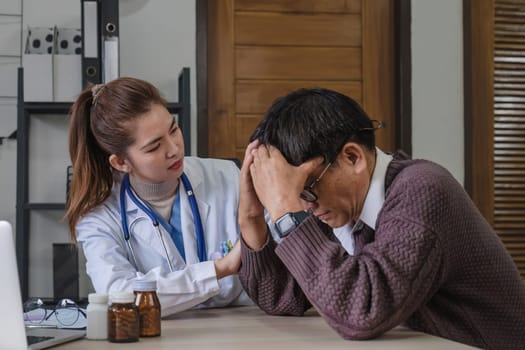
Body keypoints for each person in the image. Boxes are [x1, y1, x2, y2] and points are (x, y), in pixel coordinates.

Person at [237, 87, 525, 349]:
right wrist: (251, 216)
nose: (305, 206)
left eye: (307, 189)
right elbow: (282, 298)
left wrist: (286, 209)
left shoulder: (422, 189)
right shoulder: (341, 209)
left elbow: (362, 312)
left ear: (353, 158)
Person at [66, 77, 252, 317]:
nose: (174, 149)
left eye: (173, 130)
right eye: (154, 147)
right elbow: (119, 296)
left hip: (242, 329)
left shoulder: (226, 177)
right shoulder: (100, 217)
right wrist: (220, 269)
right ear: (121, 162)